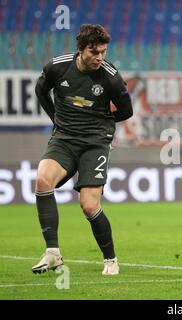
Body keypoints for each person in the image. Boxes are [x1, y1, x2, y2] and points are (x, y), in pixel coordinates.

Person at [33, 24, 133, 275]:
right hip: (65, 138)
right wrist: (56, 118)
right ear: (80, 50)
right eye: (94, 52)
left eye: (103, 52)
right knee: (43, 180)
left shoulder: (110, 77)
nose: (100, 57)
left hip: (95, 142)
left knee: (88, 205)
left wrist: (102, 125)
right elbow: (41, 90)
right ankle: (53, 253)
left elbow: (126, 110)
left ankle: (110, 259)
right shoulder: (57, 67)